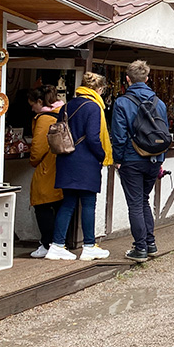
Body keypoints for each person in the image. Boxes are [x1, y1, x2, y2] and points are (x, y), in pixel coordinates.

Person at [45, 73, 112, 260]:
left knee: (67, 203)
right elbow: (92, 137)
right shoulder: (93, 107)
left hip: (66, 159)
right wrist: (102, 155)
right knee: (89, 204)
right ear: (98, 89)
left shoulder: (66, 106)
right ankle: (89, 246)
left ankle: (57, 245)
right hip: (86, 161)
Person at [112, 60, 170, 263]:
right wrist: (160, 158)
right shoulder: (159, 103)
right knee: (144, 201)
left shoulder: (122, 103)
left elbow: (118, 136)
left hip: (131, 158)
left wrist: (117, 159)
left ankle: (140, 248)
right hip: (154, 159)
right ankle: (150, 243)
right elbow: (164, 132)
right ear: (147, 79)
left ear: (127, 79)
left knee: (135, 204)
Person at [27, 85, 72, 257]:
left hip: (47, 167)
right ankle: (61, 242)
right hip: (62, 165)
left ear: (40, 101)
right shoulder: (64, 111)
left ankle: (47, 243)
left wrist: (33, 161)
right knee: (60, 205)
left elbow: (38, 149)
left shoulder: (44, 119)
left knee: (42, 204)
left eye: (33, 105)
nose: (32, 109)